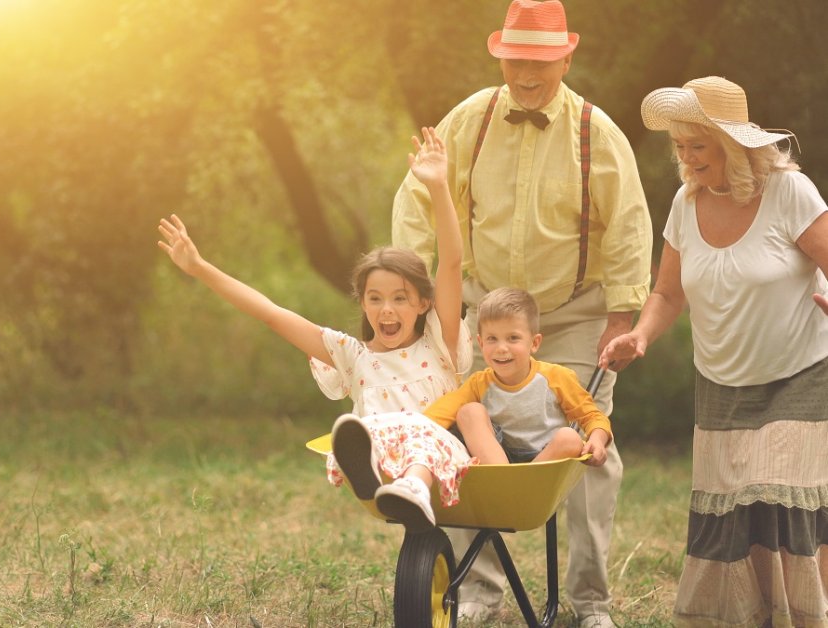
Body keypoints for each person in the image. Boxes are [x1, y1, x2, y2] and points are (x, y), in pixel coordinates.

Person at [391, 1, 652, 624]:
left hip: (573, 311)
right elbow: (418, 203)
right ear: (499, 55)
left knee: (592, 450)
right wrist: (413, 295)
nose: (526, 73)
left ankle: (589, 603)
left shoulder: (596, 132)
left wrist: (623, 312)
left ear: (567, 54)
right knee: (457, 434)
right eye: (515, 60)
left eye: (539, 60)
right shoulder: (468, 121)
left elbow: (628, 225)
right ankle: (479, 590)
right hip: (482, 309)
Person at [158, 128, 499, 534]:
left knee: (422, 430)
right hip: (386, 458)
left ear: (423, 304)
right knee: (360, 430)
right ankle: (376, 468)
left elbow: (450, 262)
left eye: (400, 299)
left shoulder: (439, 343)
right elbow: (270, 313)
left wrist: (440, 187)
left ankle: (415, 484)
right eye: (375, 299)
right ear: (363, 303)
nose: (386, 310)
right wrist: (201, 269)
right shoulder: (351, 356)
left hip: (441, 456)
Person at [601, 75, 828, 627]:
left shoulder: (789, 193)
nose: (686, 157)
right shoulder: (686, 202)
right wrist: (641, 336)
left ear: (732, 144)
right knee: (731, 512)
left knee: (779, 499)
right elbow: (667, 291)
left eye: (696, 145)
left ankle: (802, 617)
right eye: (679, 146)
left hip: (797, 375)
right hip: (721, 384)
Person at [424, 287, 613, 468]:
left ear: (534, 343)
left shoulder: (556, 378)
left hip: (544, 458)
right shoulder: (478, 383)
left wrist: (597, 438)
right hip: (497, 457)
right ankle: (505, 480)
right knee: (468, 412)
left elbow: (592, 416)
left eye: (513, 338)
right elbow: (442, 411)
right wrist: (412, 428)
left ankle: (521, 486)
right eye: (492, 339)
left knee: (570, 437)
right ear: (481, 343)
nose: (501, 348)